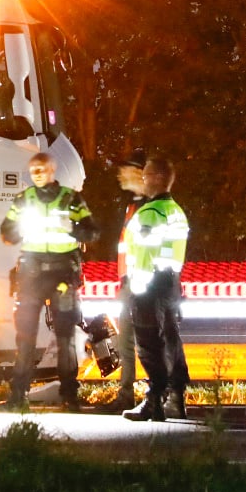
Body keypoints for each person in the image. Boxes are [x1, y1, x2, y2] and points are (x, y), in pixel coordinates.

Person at [0, 150, 99, 412]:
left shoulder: (71, 199)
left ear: (52, 171)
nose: (38, 175)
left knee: (65, 338)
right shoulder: (23, 200)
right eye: (34, 172)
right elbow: (6, 233)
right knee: (25, 338)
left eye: (42, 170)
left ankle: (70, 397)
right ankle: (18, 397)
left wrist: (72, 228)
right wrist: (16, 230)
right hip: (31, 276)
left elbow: (92, 232)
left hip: (62, 275)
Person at [121, 154, 191, 422]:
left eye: (146, 175)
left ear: (159, 178)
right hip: (170, 283)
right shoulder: (176, 211)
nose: (142, 179)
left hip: (148, 285)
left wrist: (135, 284)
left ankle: (155, 400)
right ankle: (176, 398)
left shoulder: (151, 213)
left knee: (149, 343)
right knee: (171, 339)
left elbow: (143, 253)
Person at [106, 149, 148, 413]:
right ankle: (127, 394)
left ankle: (156, 395)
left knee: (143, 342)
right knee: (127, 342)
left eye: (125, 169)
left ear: (139, 173)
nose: (120, 175)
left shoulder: (146, 206)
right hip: (129, 282)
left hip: (140, 284)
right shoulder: (132, 204)